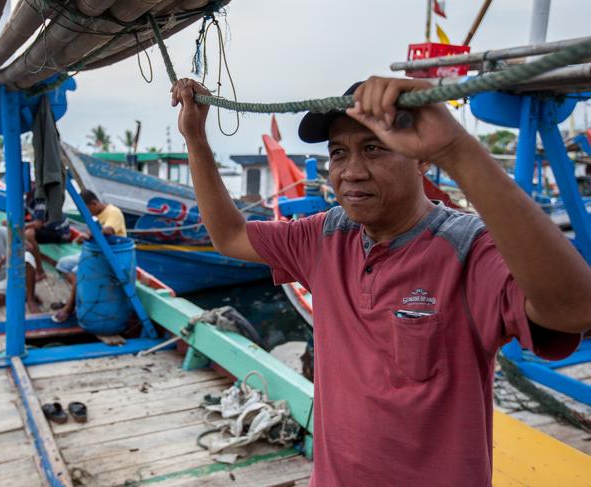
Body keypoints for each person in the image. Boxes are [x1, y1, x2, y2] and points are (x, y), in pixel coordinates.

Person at [171, 77, 591, 486]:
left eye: (373, 148)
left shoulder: (468, 249)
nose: (351, 172)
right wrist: (195, 138)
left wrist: (457, 149)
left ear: (421, 157)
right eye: (339, 153)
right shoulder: (323, 236)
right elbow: (229, 236)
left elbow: (573, 309)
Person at [52, 190, 126, 325]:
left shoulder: (113, 212)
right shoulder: (97, 216)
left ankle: (69, 307)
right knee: (63, 264)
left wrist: (90, 235)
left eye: (85, 209)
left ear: (94, 203)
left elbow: (108, 230)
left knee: (78, 271)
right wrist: (83, 237)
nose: (84, 213)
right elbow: (94, 232)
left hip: (111, 256)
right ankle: (80, 296)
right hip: (95, 253)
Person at [25, 198, 70, 281]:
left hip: (59, 232)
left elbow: (38, 224)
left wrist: (20, 225)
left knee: (28, 234)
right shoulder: (27, 198)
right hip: (46, 228)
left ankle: (40, 271)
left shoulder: (40, 199)